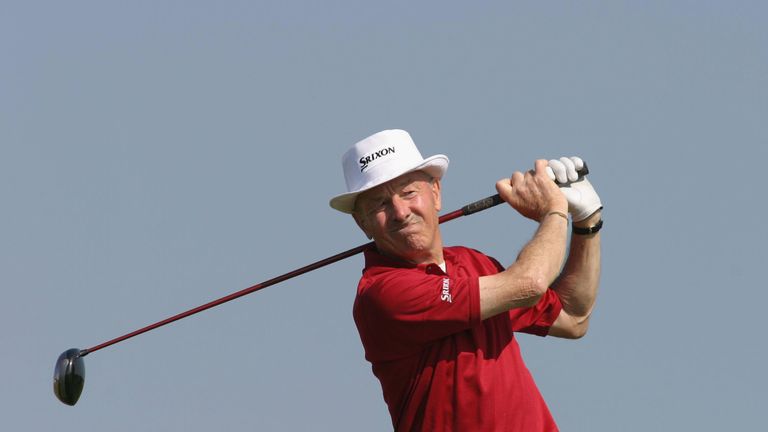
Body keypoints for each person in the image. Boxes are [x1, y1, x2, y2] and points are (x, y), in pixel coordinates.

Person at [329, 129, 602, 431]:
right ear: (362, 222)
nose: (400, 212)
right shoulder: (383, 292)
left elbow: (573, 318)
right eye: (380, 204)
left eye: (409, 193)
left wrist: (587, 221)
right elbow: (530, 283)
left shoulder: (474, 263)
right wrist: (554, 210)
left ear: (435, 194)